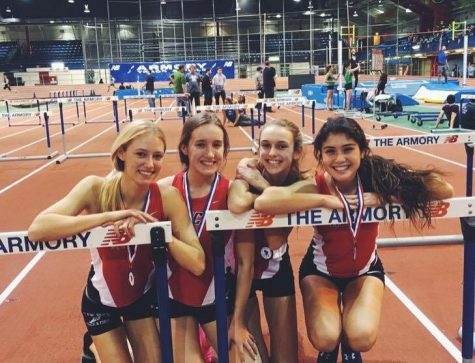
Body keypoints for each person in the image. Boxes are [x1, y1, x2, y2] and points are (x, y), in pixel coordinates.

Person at [253, 116, 454, 363]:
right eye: (330, 152)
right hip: (320, 271)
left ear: (362, 151)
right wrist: (325, 200)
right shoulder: (316, 184)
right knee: (325, 337)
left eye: (348, 149)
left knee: (361, 337)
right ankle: (331, 345)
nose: (339, 159)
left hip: (364, 271)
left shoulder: (377, 176)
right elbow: (265, 201)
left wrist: (385, 196)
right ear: (321, 156)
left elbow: (444, 189)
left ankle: (349, 344)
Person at [28, 120, 205, 363]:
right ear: (122, 152)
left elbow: (197, 263)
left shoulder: (167, 197)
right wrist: (110, 216)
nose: (150, 164)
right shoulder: (95, 188)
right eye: (141, 154)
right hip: (100, 301)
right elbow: (38, 229)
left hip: (141, 298)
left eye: (157, 156)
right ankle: (94, 347)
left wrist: (159, 234)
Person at [157, 112, 259, 363]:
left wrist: (238, 321)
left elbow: (246, 264)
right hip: (175, 299)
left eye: (217, 145)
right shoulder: (166, 188)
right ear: (184, 147)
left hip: (218, 298)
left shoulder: (233, 192)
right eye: (200, 145)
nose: (210, 153)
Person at [228, 119, 304, 363]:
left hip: (276, 266)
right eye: (266, 146)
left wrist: (261, 186)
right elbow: (238, 203)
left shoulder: (301, 184)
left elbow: (275, 240)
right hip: (241, 274)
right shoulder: (244, 173)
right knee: (254, 358)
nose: (272, 153)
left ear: (296, 152)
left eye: (282, 146)